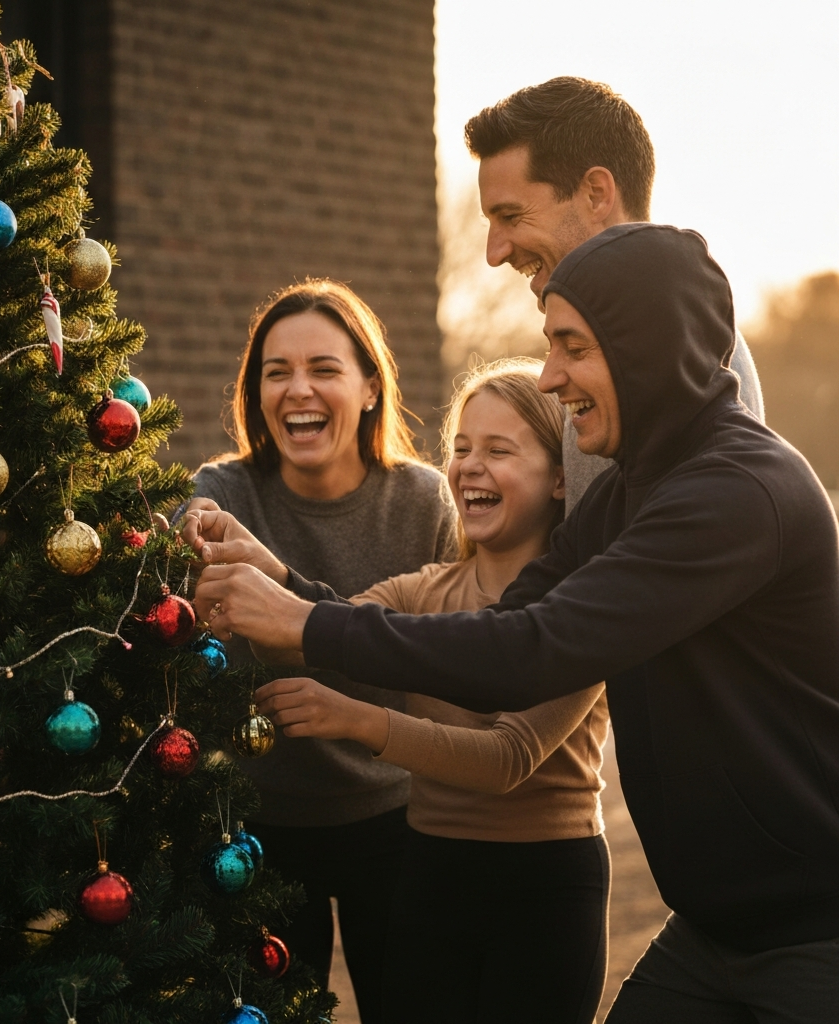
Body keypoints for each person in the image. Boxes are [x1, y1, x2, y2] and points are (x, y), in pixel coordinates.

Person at [192, 224, 839, 1023]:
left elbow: (529, 652)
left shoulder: (736, 494)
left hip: (815, 930)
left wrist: (303, 626)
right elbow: (501, 619)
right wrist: (284, 581)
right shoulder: (631, 490)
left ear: (645, 349)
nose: (550, 374)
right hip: (712, 931)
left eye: (572, 347)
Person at [242, 358, 610, 1024]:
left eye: (499, 450)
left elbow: (505, 759)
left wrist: (355, 719)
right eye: (462, 448)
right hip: (429, 876)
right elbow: (326, 624)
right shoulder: (423, 591)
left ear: (561, 477)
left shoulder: (585, 608)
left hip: (546, 887)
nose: (470, 465)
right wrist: (253, 562)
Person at [186, 278, 456, 1024]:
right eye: (277, 372)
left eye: (324, 369)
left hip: (400, 821)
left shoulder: (426, 503)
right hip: (259, 832)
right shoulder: (223, 493)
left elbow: (436, 657)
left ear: (370, 387)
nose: (298, 389)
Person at [463, 76, 764, 511]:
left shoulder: (680, 358)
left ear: (596, 194)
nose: (495, 253)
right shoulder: (620, 355)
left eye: (511, 215)